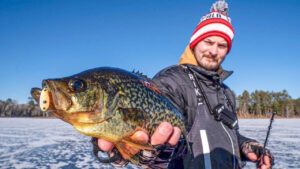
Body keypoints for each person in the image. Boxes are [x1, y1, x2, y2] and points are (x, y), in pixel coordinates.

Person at [95, 0, 274, 168]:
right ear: (195, 42)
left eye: (222, 45)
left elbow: (226, 136)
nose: (213, 51)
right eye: (208, 42)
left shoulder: (225, 92)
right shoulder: (174, 80)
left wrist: (248, 147)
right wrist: (117, 147)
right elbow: (147, 116)